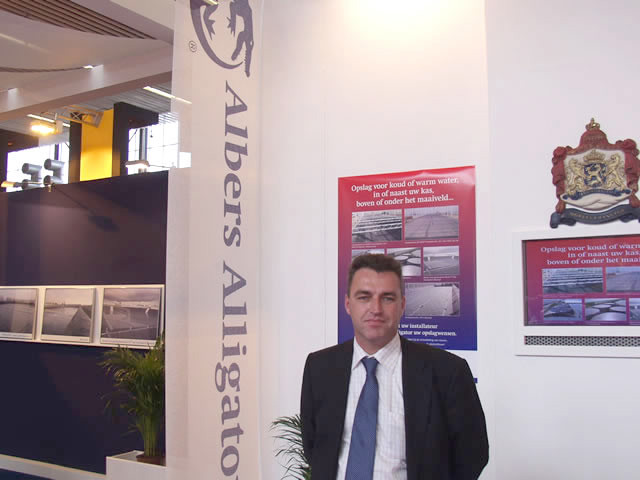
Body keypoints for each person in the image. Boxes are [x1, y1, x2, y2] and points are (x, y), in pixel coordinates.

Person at [301, 253, 488, 480]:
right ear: (348, 304)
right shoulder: (319, 368)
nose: (375, 308)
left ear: (402, 305)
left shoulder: (447, 372)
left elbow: (472, 455)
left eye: (387, 298)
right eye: (364, 297)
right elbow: (314, 448)